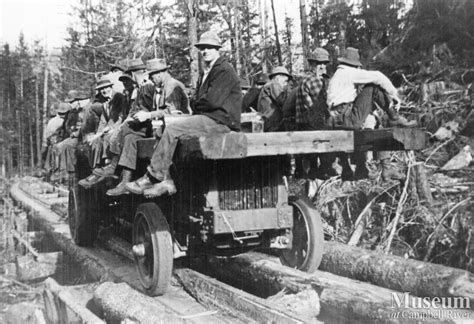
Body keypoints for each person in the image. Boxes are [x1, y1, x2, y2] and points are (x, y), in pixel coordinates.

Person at [124, 30, 242, 197]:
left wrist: (196, 102)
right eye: (202, 48)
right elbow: (199, 100)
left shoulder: (224, 70)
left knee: (173, 130)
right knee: (163, 129)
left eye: (209, 47)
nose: (205, 51)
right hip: (210, 117)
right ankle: (167, 179)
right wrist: (197, 102)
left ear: (218, 49)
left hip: (221, 121)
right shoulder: (208, 71)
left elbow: (210, 101)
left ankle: (153, 175)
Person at [326, 47, 417, 180]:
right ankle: (394, 117)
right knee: (372, 87)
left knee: (374, 126)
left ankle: (364, 168)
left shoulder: (338, 76)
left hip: (338, 119)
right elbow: (378, 76)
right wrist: (393, 93)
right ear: (353, 65)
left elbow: (359, 104)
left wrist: (373, 116)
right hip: (346, 118)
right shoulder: (348, 72)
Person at [105, 58, 190, 196]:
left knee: (146, 138)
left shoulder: (172, 86)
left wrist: (148, 115)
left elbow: (173, 113)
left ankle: (158, 179)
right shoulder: (163, 87)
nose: (150, 78)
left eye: (152, 75)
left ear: (160, 73)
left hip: (176, 128)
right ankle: (125, 180)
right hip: (165, 127)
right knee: (131, 138)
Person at [78, 77, 126, 187]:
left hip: (120, 126)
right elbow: (103, 122)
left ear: (111, 87)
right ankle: (96, 169)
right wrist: (96, 135)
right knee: (96, 141)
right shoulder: (105, 104)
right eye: (101, 89)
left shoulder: (118, 97)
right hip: (111, 127)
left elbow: (121, 116)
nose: (104, 91)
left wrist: (112, 127)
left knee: (107, 137)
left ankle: (108, 165)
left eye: (106, 88)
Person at [257, 66, 292, 132]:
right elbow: (282, 101)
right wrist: (289, 91)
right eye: (285, 81)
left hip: (269, 121)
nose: (286, 84)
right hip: (272, 122)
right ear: (278, 77)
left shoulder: (269, 85)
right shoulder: (273, 84)